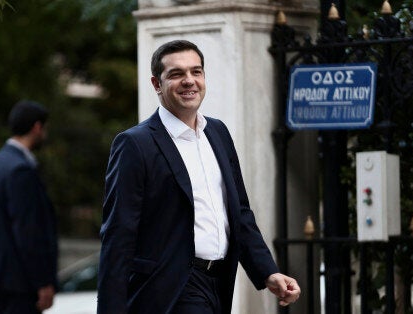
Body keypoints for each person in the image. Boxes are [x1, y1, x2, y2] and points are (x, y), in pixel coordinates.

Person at [97, 40, 301, 314]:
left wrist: (268, 272)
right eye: (177, 74)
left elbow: (239, 212)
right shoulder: (135, 144)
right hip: (171, 288)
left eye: (196, 72)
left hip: (219, 282)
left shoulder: (217, 132)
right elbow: (118, 232)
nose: (189, 81)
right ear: (157, 84)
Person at [0, 100, 58, 314]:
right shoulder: (21, 169)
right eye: (45, 128)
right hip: (20, 282)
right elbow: (28, 231)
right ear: (37, 127)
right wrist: (42, 281)